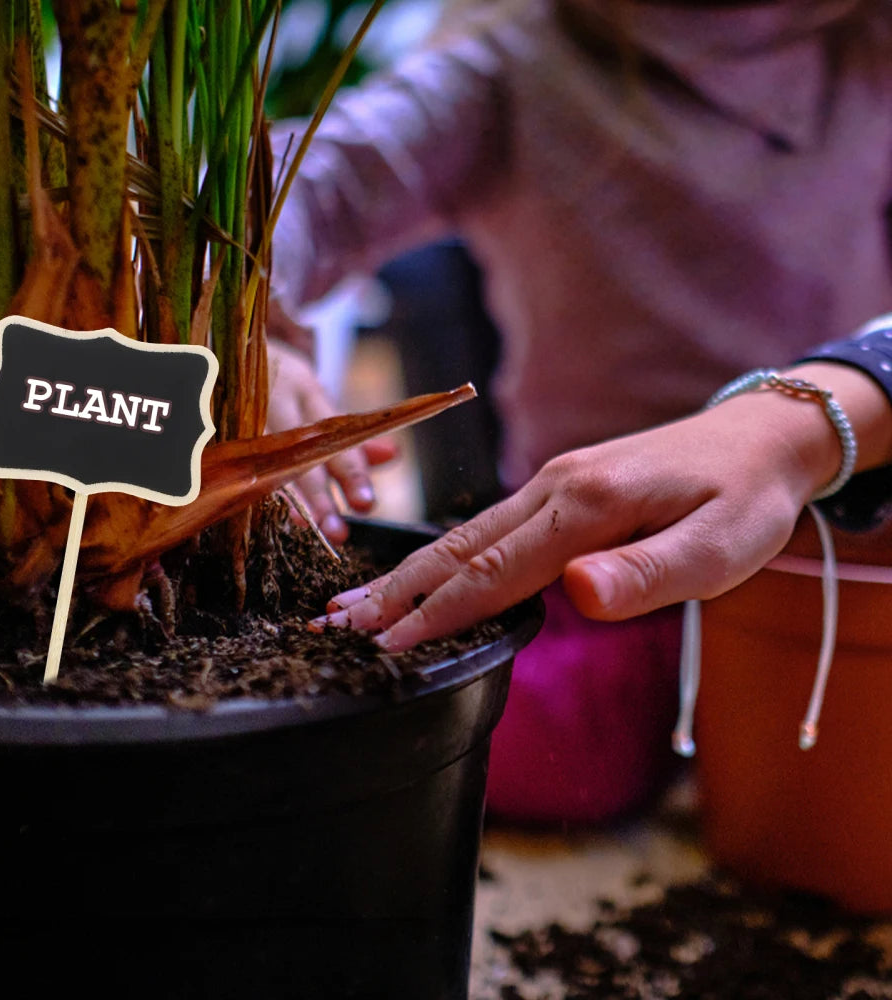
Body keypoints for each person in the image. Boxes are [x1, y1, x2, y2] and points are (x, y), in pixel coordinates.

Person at [268, 0, 892, 823]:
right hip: (606, 576)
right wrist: (244, 329)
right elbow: (288, 191)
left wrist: (797, 424)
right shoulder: (512, 63)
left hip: (854, 563)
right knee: (528, 752)